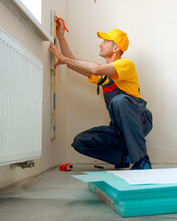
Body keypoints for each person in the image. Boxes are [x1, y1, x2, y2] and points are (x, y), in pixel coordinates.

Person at [48, 17, 153, 170]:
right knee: (82, 141)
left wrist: (64, 59)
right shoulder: (104, 76)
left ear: (116, 48)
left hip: (140, 120)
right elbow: (72, 63)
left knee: (119, 100)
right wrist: (61, 36)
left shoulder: (125, 64)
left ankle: (142, 160)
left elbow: (95, 69)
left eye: (105, 41)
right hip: (120, 128)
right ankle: (123, 156)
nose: (100, 44)